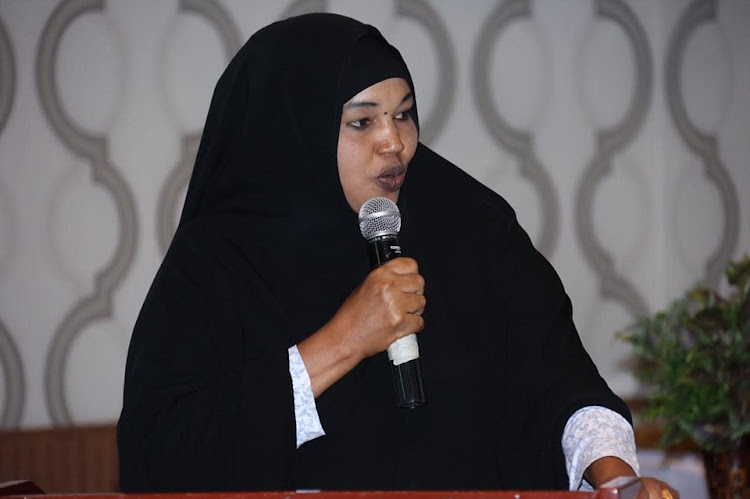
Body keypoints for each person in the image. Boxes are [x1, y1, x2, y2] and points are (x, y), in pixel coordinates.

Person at [117, 13, 678, 498]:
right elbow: (164, 451)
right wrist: (342, 341)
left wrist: (615, 481)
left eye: (404, 114)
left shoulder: (472, 225)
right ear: (297, 131)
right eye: (362, 122)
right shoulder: (217, 262)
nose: (395, 143)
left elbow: (559, 379)